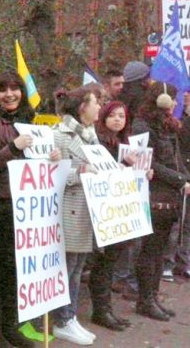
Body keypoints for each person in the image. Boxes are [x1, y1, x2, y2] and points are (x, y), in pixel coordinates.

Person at [0, 72, 59, 348]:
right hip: (0, 205)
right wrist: (12, 147)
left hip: (28, 208)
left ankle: (10, 326)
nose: (9, 94)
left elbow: (39, 165)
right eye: (3, 90)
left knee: (19, 270)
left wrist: (53, 158)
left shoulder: (32, 123)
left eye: (15, 89)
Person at [132, 82, 190, 321]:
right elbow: (147, 162)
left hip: (169, 196)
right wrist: (178, 179)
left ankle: (152, 296)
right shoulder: (143, 126)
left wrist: (182, 178)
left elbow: (173, 159)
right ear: (162, 100)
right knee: (151, 249)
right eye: (173, 98)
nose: (176, 103)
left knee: (159, 250)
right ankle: (144, 300)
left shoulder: (168, 126)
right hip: (153, 195)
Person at [51, 84, 102, 346]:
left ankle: (70, 317)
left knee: (79, 266)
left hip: (86, 209)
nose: (100, 107)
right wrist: (80, 173)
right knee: (68, 267)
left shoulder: (92, 135)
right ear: (83, 106)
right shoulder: (60, 134)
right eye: (96, 102)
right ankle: (63, 320)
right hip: (70, 209)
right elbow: (53, 174)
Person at [87, 101, 144, 331]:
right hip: (105, 212)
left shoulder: (125, 142)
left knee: (111, 261)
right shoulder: (98, 142)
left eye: (122, 116)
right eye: (113, 116)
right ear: (104, 118)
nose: (118, 120)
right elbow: (103, 173)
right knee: (103, 262)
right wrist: (122, 165)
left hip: (120, 212)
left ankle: (106, 308)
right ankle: (100, 310)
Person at [163, 92, 190, 280]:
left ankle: (184, 260)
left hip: (183, 174)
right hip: (181, 176)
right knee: (176, 223)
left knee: (186, 223)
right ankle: (168, 262)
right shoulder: (181, 124)